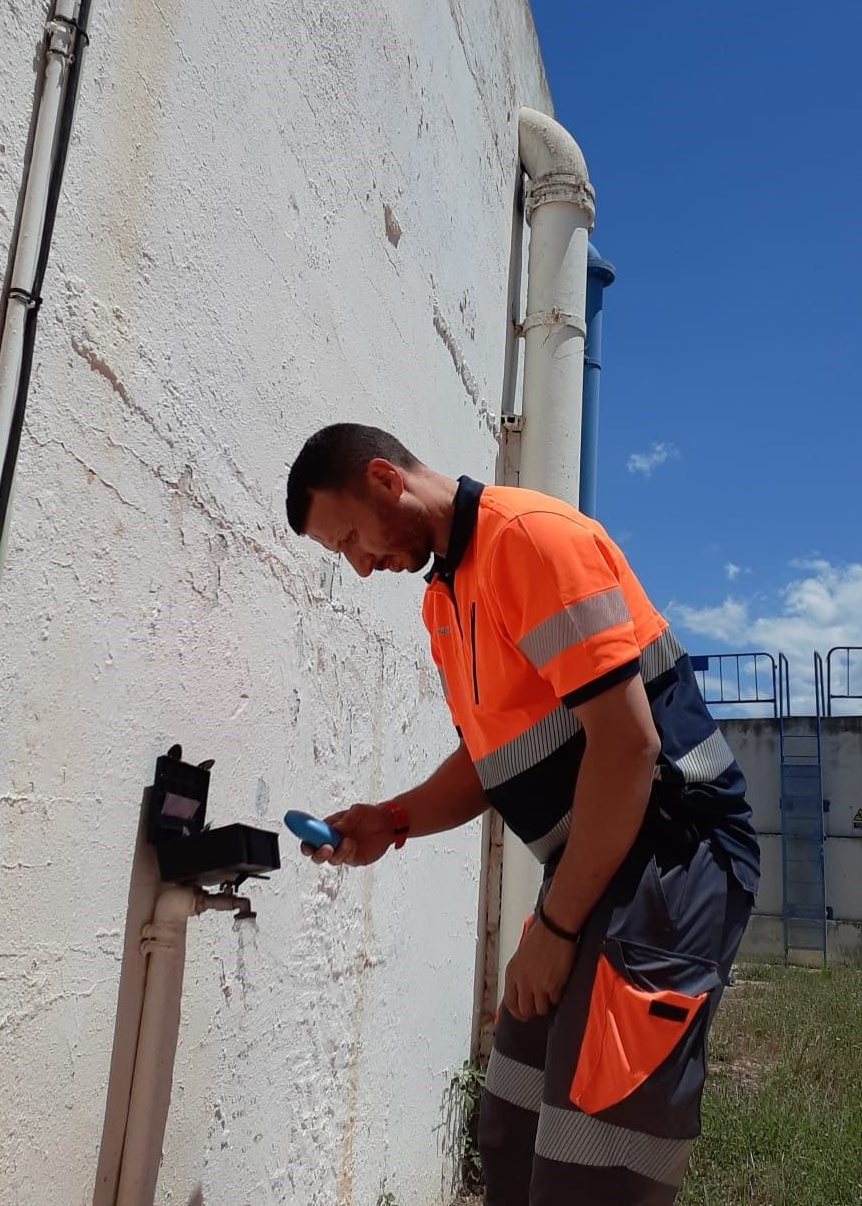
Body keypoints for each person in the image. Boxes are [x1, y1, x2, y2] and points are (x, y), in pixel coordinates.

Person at [285, 422, 759, 1206]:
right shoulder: (445, 602)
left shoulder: (532, 540)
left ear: (382, 479)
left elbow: (629, 745)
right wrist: (390, 819)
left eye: (349, 542)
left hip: (674, 861)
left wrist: (559, 928)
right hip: (595, 868)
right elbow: (490, 763)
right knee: (510, 1129)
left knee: (593, 1166)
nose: (362, 567)